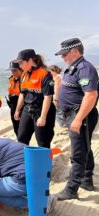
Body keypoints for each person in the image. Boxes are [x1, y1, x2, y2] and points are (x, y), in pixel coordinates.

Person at [54, 38, 98, 200]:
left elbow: (91, 95)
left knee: (78, 153)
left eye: (65, 54)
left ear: (75, 51)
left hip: (81, 116)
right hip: (73, 114)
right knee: (84, 147)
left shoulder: (85, 68)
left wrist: (78, 119)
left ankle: (71, 190)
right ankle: (86, 180)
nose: (62, 57)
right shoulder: (72, 67)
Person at [14, 49, 56, 148]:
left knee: (42, 142)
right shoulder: (24, 74)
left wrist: (43, 117)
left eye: (21, 63)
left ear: (30, 60)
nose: (20, 66)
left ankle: (44, 163)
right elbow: (22, 94)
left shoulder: (44, 74)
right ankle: (23, 162)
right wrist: (17, 110)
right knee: (21, 138)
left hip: (42, 111)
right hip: (27, 109)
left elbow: (48, 97)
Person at [6, 61, 22, 136]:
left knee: (24, 128)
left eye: (15, 70)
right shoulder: (11, 79)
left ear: (20, 69)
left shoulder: (25, 79)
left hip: (22, 105)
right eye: (12, 71)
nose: (13, 72)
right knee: (16, 127)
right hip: (13, 105)